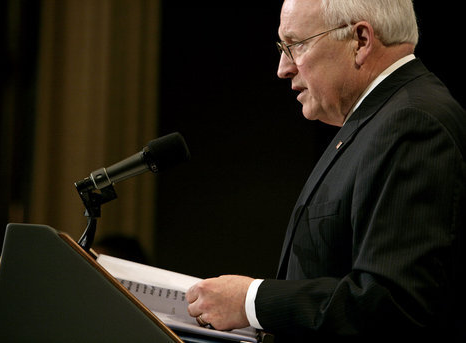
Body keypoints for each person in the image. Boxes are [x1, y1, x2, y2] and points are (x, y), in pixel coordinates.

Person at [185, 0, 466, 341]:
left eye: (296, 45)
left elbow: (391, 303)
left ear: (360, 40)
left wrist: (251, 301)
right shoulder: (376, 121)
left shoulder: (413, 123)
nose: (283, 68)